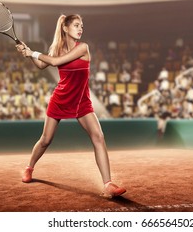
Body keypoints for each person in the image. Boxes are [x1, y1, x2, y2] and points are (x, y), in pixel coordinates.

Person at [16, 14, 126, 198]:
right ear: (66, 28)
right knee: (45, 140)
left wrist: (33, 52)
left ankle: (108, 185)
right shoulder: (57, 48)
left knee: (98, 136)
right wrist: (28, 52)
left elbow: (56, 62)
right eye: (76, 25)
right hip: (61, 99)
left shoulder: (83, 48)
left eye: (82, 25)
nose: (81, 28)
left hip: (82, 101)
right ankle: (29, 168)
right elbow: (42, 65)